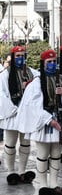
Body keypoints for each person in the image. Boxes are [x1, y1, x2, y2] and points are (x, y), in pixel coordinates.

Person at [16, 50, 62, 195]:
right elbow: (32, 105)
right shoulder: (36, 82)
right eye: (49, 62)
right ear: (43, 63)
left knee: (56, 155)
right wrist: (49, 120)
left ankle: (54, 184)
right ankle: (43, 185)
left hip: (60, 120)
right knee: (42, 154)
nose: (52, 64)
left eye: (54, 61)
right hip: (45, 123)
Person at [0, 45, 39, 185]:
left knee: (25, 143)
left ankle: (22, 171)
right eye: (17, 56)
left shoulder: (33, 73)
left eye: (22, 56)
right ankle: (11, 172)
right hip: (13, 114)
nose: (20, 59)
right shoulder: (5, 74)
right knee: (10, 143)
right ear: (12, 57)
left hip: (27, 114)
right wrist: (15, 109)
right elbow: (2, 95)